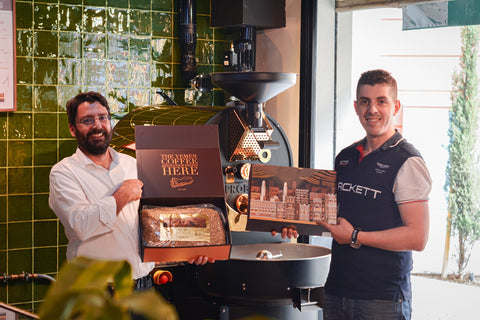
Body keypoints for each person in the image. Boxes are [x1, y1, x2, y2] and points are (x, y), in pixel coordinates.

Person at [275, 69, 431, 319]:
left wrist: (356, 236)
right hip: (337, 291)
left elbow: (417, 237)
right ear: (356, 107)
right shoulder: (345, 157)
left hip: (382, 299)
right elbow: (335, 218)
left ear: (396, 106)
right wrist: (293, 222)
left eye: (382, 101)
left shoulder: (407, 161)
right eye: (365, 101)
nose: (372, 110)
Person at [49, 91, 212, 292]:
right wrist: (122, 195)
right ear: (73, 129)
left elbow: (156, 220)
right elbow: (81, 225)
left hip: (143, 287)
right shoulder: (64, 173)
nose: (98, 126)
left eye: (103, 118)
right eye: (87, 120)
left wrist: (193, 246)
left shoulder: (132, 164)